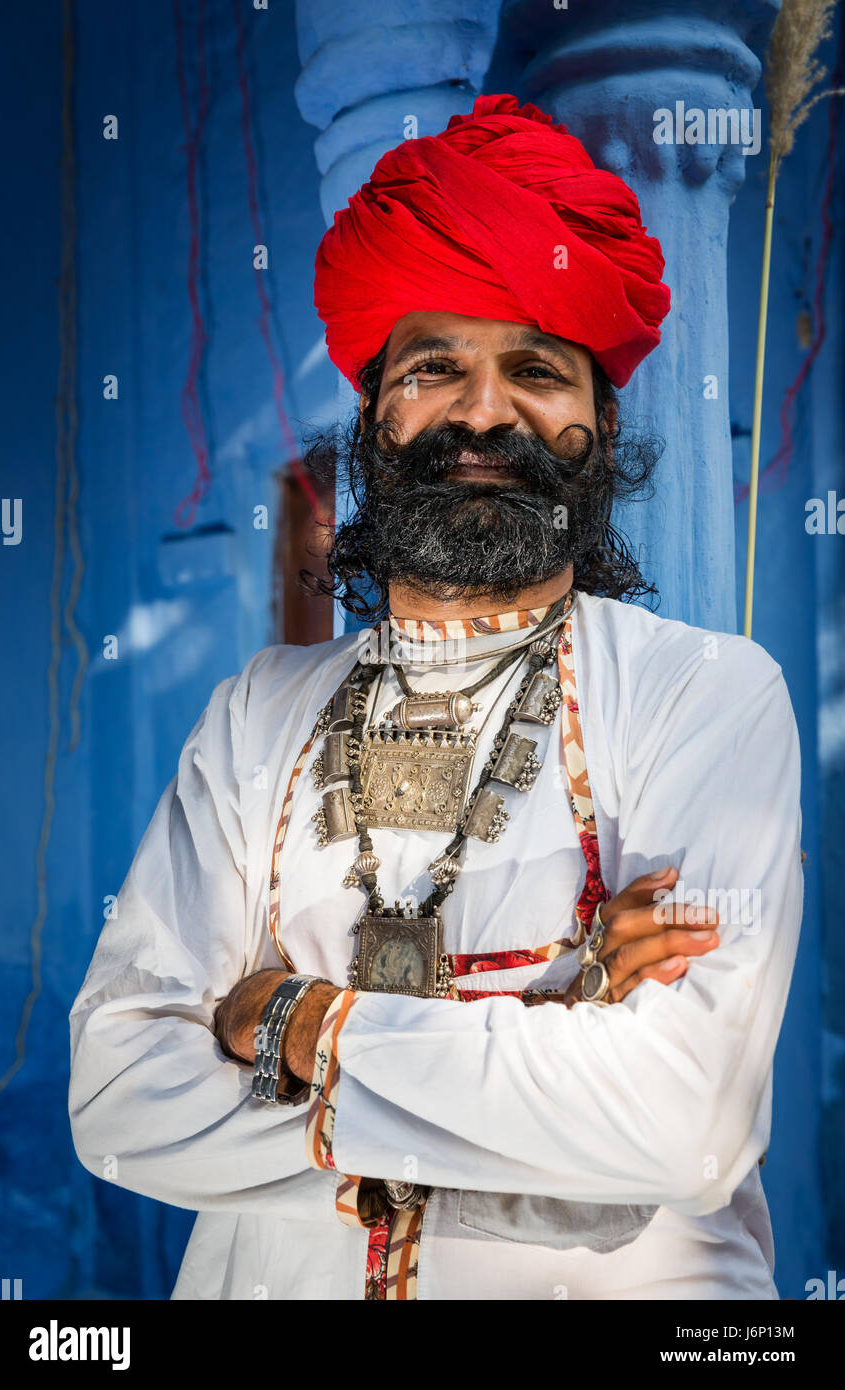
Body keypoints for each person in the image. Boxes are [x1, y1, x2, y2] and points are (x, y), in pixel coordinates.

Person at [69, 94, 803, 1301]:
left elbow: (685, 1125)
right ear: (372, 416)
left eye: (533, 369)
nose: (480, 412)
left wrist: (296, 1021)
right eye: (433, 368)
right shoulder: (259, 714)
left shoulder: (702, 695)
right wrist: (561, 1091)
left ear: (597, 422)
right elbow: (115, 1095)